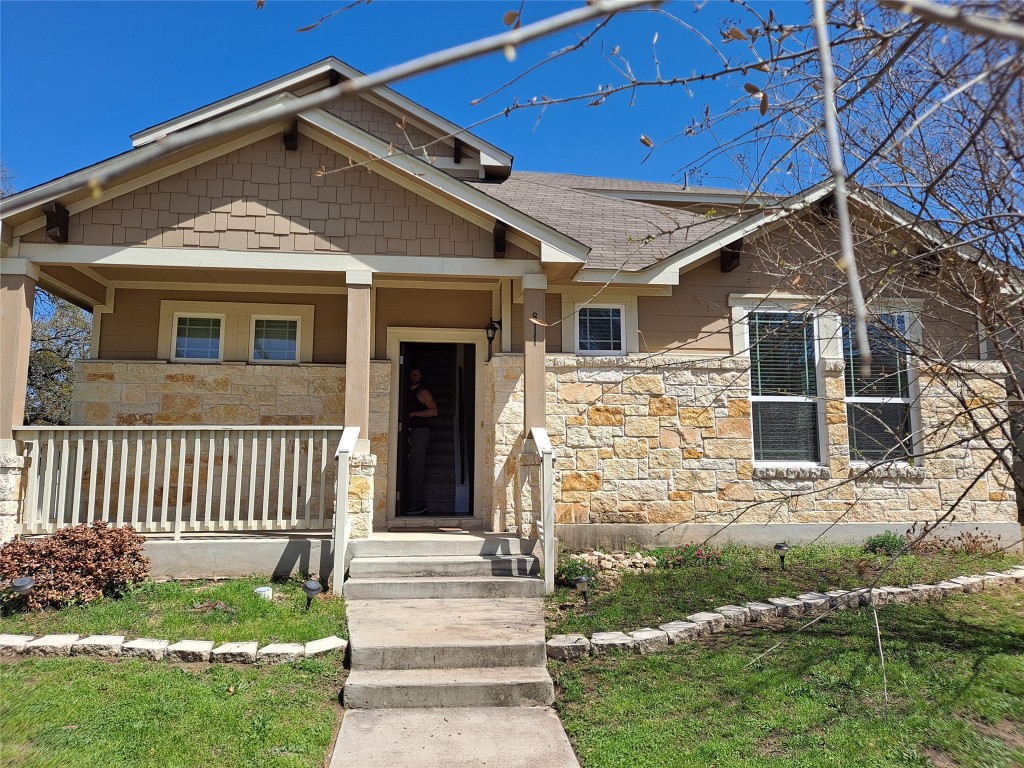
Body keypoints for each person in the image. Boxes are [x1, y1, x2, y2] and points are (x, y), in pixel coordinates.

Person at [405, 367, 437, 515]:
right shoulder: (406, 391)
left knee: (416, 468)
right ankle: (412, 502)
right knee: (409, 468)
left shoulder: (422, 392)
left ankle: (417, 504)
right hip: (409, 432)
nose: (413, 376)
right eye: (412, 374)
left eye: (416, 374)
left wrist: (414, 413)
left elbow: (433, 411)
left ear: (421, 376)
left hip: (420, 432)